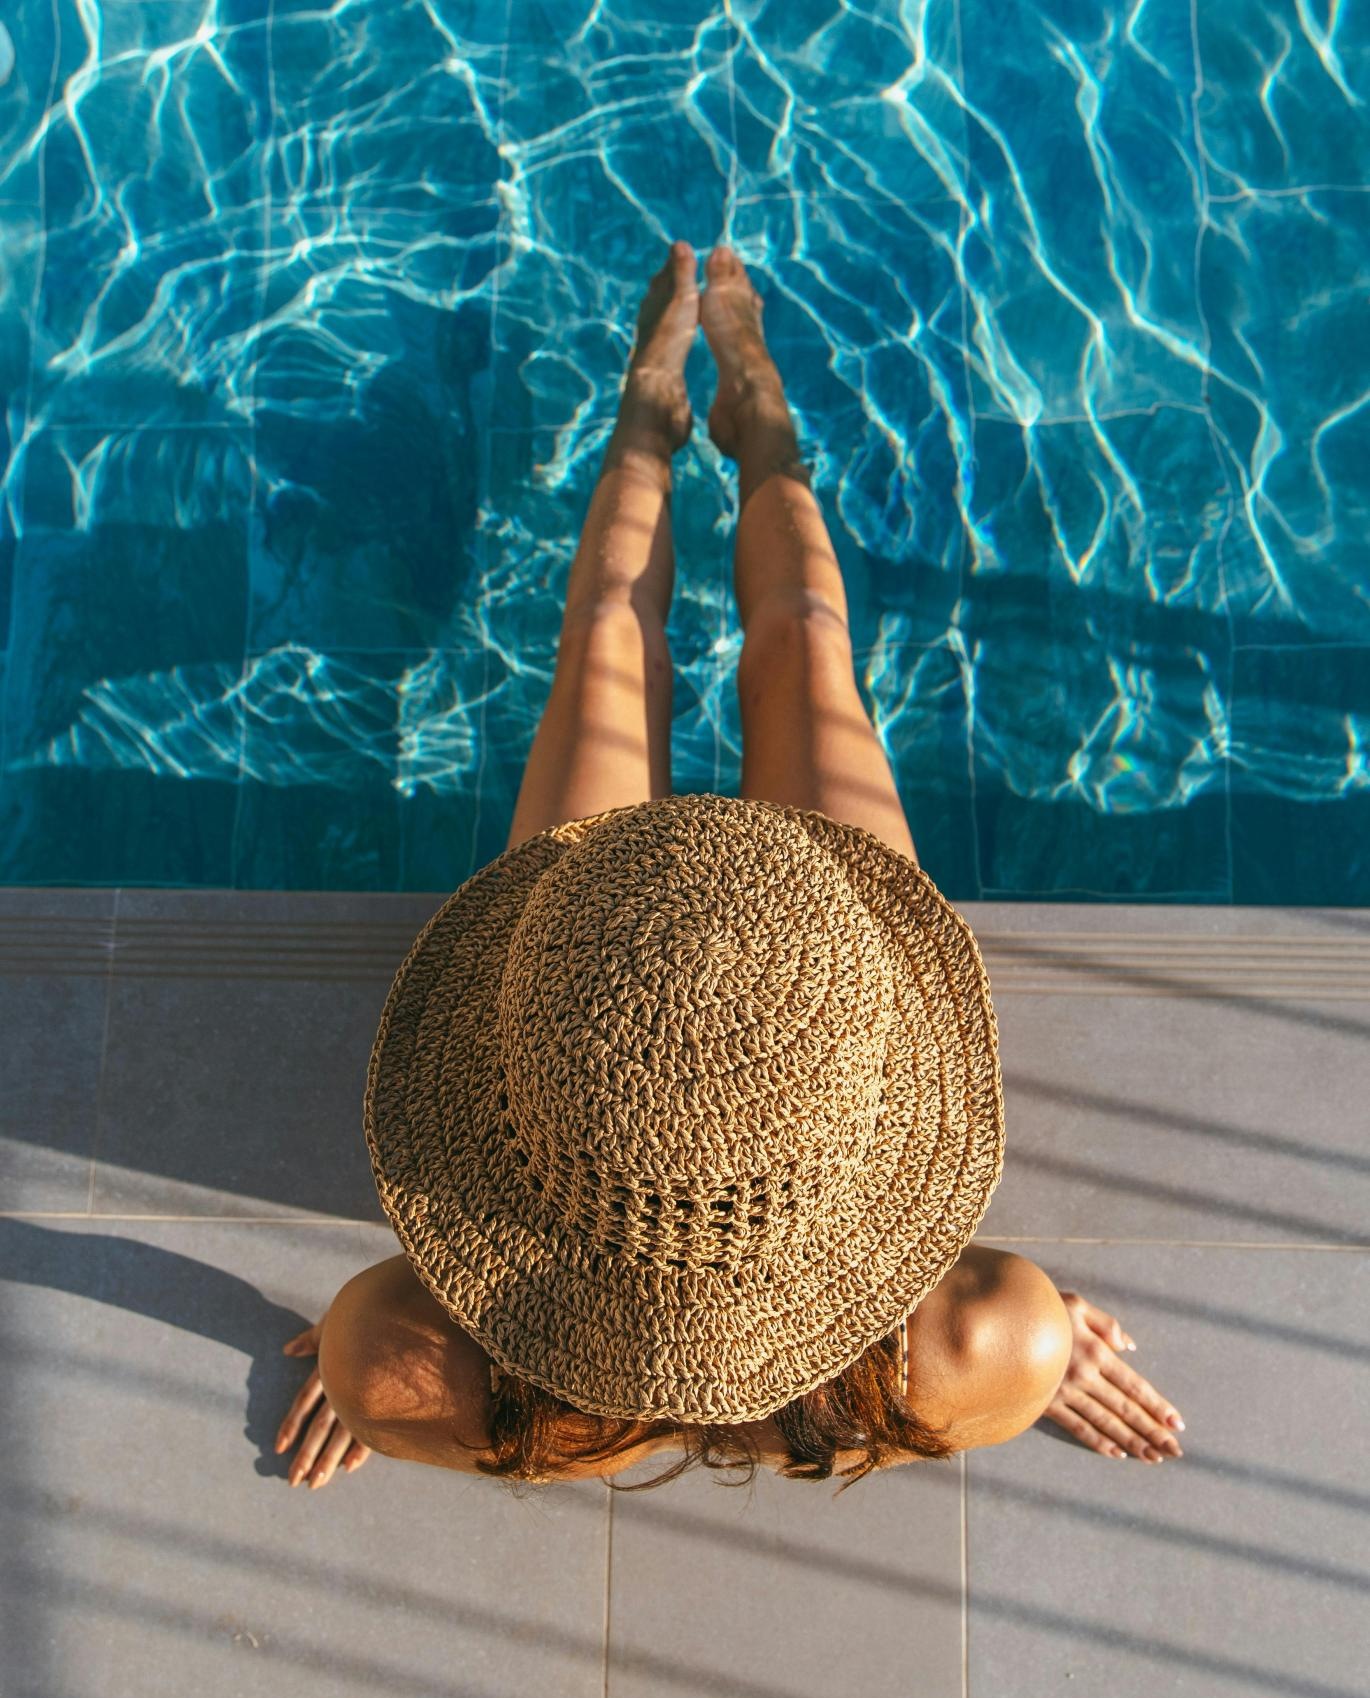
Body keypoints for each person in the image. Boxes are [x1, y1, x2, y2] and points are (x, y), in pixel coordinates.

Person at [275, 242, 1186, 1491]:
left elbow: (449, 1380)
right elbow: (943, 1354)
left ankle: (659, 415)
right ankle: (748, 413)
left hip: (608, 956)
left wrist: (421, 1372)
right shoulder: (978, 1343)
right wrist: (1022, 1351)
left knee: (610, 629)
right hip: (761, 952)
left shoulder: (401, 1354)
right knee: (806, 642)